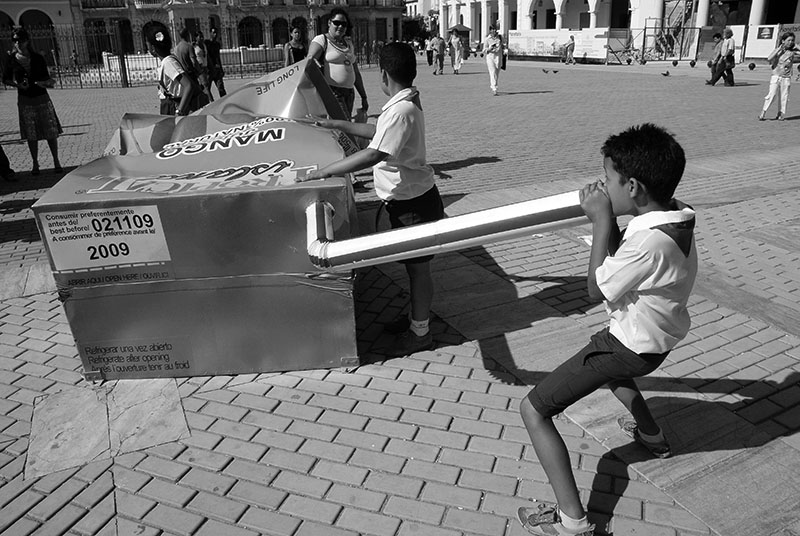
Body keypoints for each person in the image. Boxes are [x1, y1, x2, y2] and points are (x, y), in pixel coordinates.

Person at [518, 123, 696, 536]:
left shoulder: (649, 242)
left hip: (628, 344)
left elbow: (594, 288)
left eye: (607, 179)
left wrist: (600, 219)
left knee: (535, 409)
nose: (602, 185)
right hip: (654, 341)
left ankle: (572, 522)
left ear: (633, 187)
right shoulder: (676, 217)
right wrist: (611, 214)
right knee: (615, 375)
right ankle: (652, 437)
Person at [298, 42, 444, 357]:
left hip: (414, 204)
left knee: (419, 271)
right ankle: (414, 318)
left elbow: (374, 154)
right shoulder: (403, 102)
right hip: (410, 200)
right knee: (412, 269)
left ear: (383, 74)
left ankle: (421, 333)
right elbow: (377, 131)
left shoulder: (402, 109)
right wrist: (336, 124)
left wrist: (324, 172)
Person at [2, 28, 63, 175]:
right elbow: (5, 79)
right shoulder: (11, 60)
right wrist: (18, 85)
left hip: (41, 97)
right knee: (31, 134)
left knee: (50, 131)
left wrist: (46, 82)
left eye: (20, 40)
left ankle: (56, 160)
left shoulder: (37, 58)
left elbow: (47, 77)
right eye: (15, 40)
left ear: (27, 41)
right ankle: (35, 163)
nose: (17, 43)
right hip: (25, 99)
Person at [308, 8, 369, 120]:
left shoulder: (349, 44)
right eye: (337, 23)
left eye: (344, 24)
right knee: (345, 125)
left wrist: (363, 96)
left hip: (349, 93)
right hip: (333, 92)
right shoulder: (321, 40)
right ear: (329, 23)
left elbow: (355, 72)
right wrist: (313, 61)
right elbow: (309, 61)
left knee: (342, 127)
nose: (340, 26)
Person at [145, 28, 195, 117]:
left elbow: (188, 85)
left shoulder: (168, 63)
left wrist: (179, 112)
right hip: (170, 106)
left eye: (147, 45)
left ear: (153, 48)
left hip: (174, 107)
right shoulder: (169, 60)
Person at [759, 31, 800, 121]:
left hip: (786, 77)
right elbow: (769, 58)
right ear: (783, 41)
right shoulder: (778, 50)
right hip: (776, 76)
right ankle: (763, 112)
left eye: (792, 40)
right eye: (788, 40)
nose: (791, 42)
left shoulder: (792, 52)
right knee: (772, 94)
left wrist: (797, 46)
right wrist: (779, 49)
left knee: (784, 96)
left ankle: (781, 113)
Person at [204, 27, 226, 98]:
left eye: (216, 33)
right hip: (209, 70)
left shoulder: (217, 44)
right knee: (207, 89)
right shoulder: (206, 43)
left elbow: (218, 57)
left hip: (217, 69)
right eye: (213, 33)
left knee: (221, 88)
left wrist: (221, 68)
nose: (215, 34)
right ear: (210, 33)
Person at [193, 31, 214, 105]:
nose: (202, 38)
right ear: (196, 38)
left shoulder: (204, 45)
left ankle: (204, 102)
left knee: (204, 87)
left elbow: (207, 57)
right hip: (199, 68)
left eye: (202, 36)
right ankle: (212, 102)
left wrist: (210, 67)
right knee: (206, 86)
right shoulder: (194, 47)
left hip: (205, 67)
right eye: (200, 37)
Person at [483, 25, 504, 95]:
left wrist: (504, 50)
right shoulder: (487, 39)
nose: (494, 31)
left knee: (497, 73)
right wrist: (489, 49)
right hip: (490, 57)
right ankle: (494, 88)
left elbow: (503, 46)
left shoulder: (500, 37)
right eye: (493, 29)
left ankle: (494, 85)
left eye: (495, 29)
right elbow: (484, 49)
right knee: (492, 72)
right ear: (490, 30)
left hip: (498, 57)